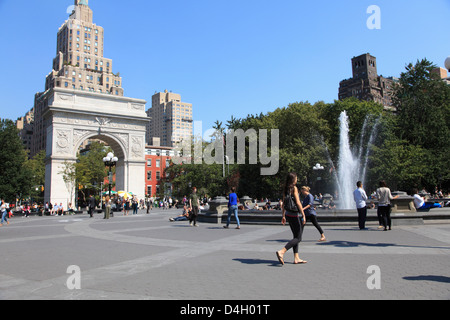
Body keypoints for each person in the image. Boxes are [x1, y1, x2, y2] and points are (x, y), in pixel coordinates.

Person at [276, 173, 307, 266]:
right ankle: (282, 251)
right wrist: (303, 214)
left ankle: (296, 258)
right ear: (294, 180)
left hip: (289, 214)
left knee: (295, 236)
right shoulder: (294, 188)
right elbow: (298, 202)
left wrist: (283, 216)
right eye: (296, 178)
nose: (297, 179)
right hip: (294, 215)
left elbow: (284, 202)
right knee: (298, 238)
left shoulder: (286, 188)